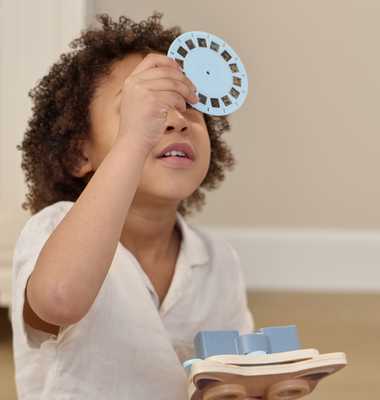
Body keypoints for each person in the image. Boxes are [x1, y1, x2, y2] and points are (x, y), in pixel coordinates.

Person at [12, 13, 254, 399]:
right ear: (77, 155)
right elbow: (59, 300)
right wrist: (134, 140)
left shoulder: (219, 261)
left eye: (187, 103)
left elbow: (232, 379)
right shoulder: (52, 230)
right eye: (140, 109)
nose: (174, 119)